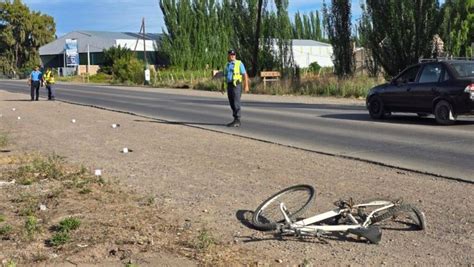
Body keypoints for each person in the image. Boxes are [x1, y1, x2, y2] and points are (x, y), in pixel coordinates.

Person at [223, 49, 249, 127]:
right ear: (228, 55)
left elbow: (244, 74)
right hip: (229, 85)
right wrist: (222, 87)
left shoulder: (239, 63)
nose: (232, 56)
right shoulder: (227, 65)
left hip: (236, 85)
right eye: (231, 55)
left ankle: (237, 120)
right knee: (231, 102)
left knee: (236, 102)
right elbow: (225, 77)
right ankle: (235, 119)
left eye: (233, 55)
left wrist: (246, 85)